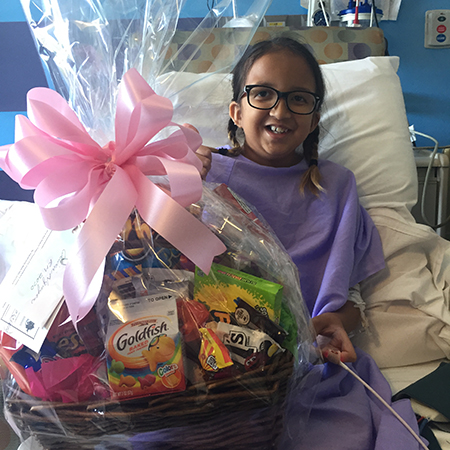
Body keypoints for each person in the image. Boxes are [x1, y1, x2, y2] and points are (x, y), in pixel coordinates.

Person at [191, 36, 385, 364]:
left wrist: (336, 324)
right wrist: (183, 182)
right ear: (237, 113)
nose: (280, 111)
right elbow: (164, 267)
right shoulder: (203, 174)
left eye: (298, 98)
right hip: (213, 359)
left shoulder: (336, 187)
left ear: (314, 120)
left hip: (306, 359)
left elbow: (352, 297)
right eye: (262, 94)